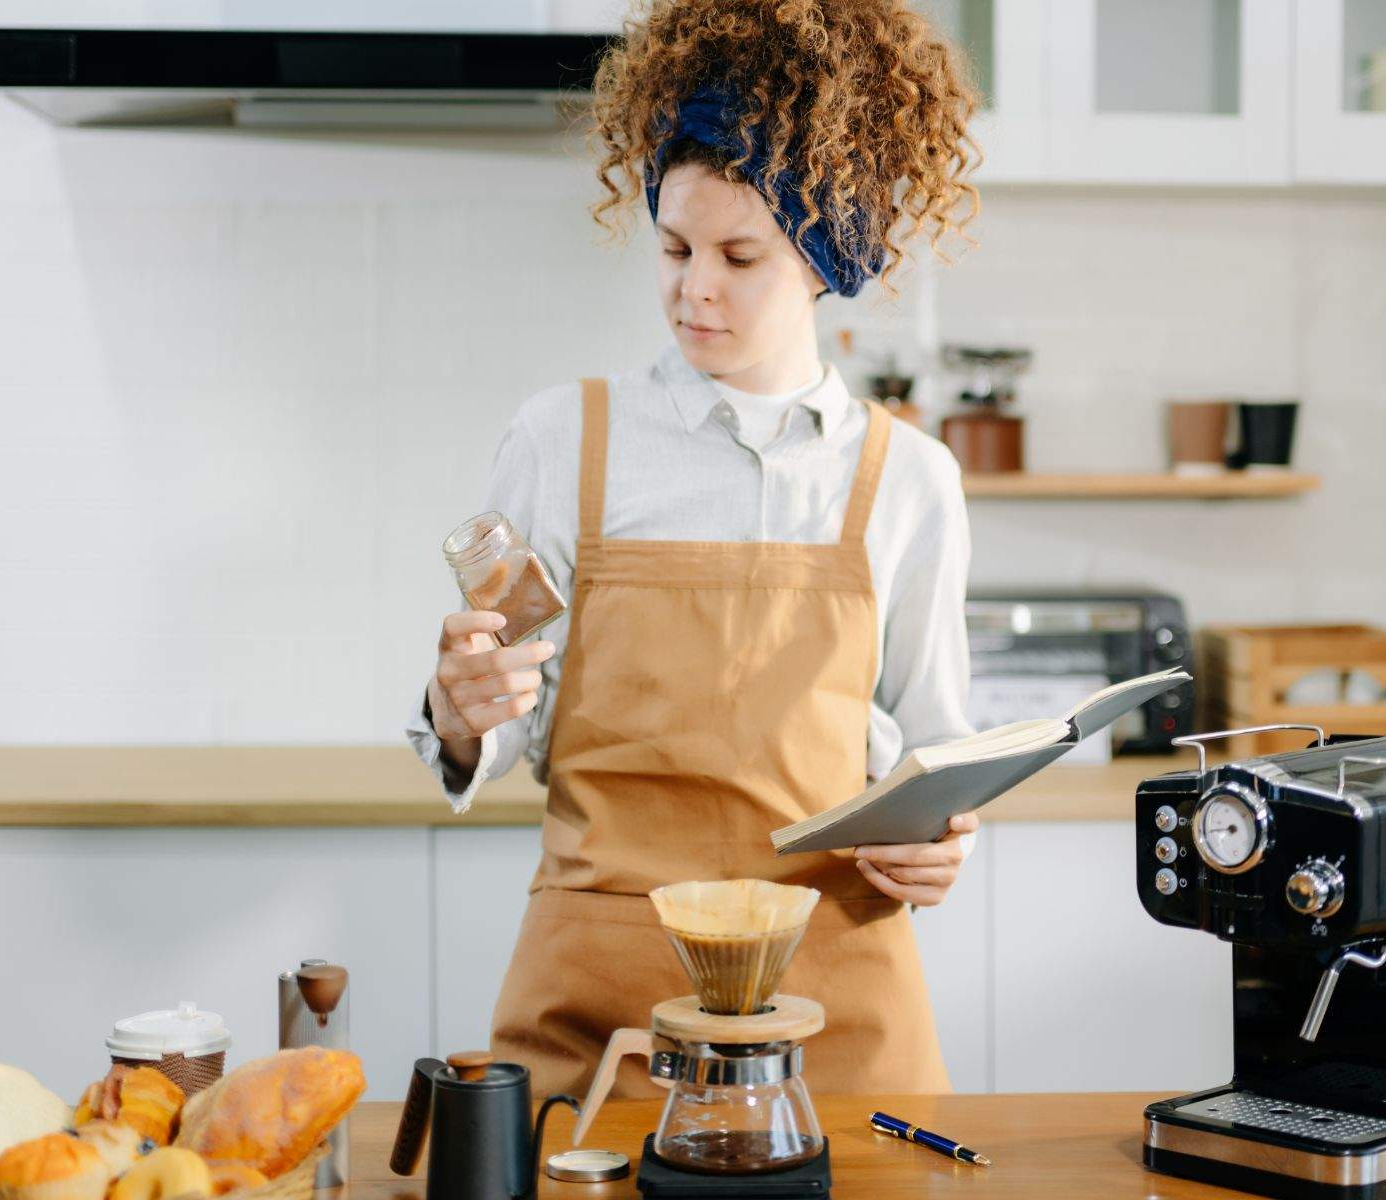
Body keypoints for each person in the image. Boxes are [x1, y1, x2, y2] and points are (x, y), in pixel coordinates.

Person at [406, 0, 983, 1097]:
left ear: (826, 256)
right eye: (673, 247)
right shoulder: (563, 440)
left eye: (740, 254)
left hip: (837, 1004)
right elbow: (497, 721)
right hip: (602, 1004)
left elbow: (936, 751)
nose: (694, 287)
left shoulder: (910, 480)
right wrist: (457, 707)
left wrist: (941, 840)